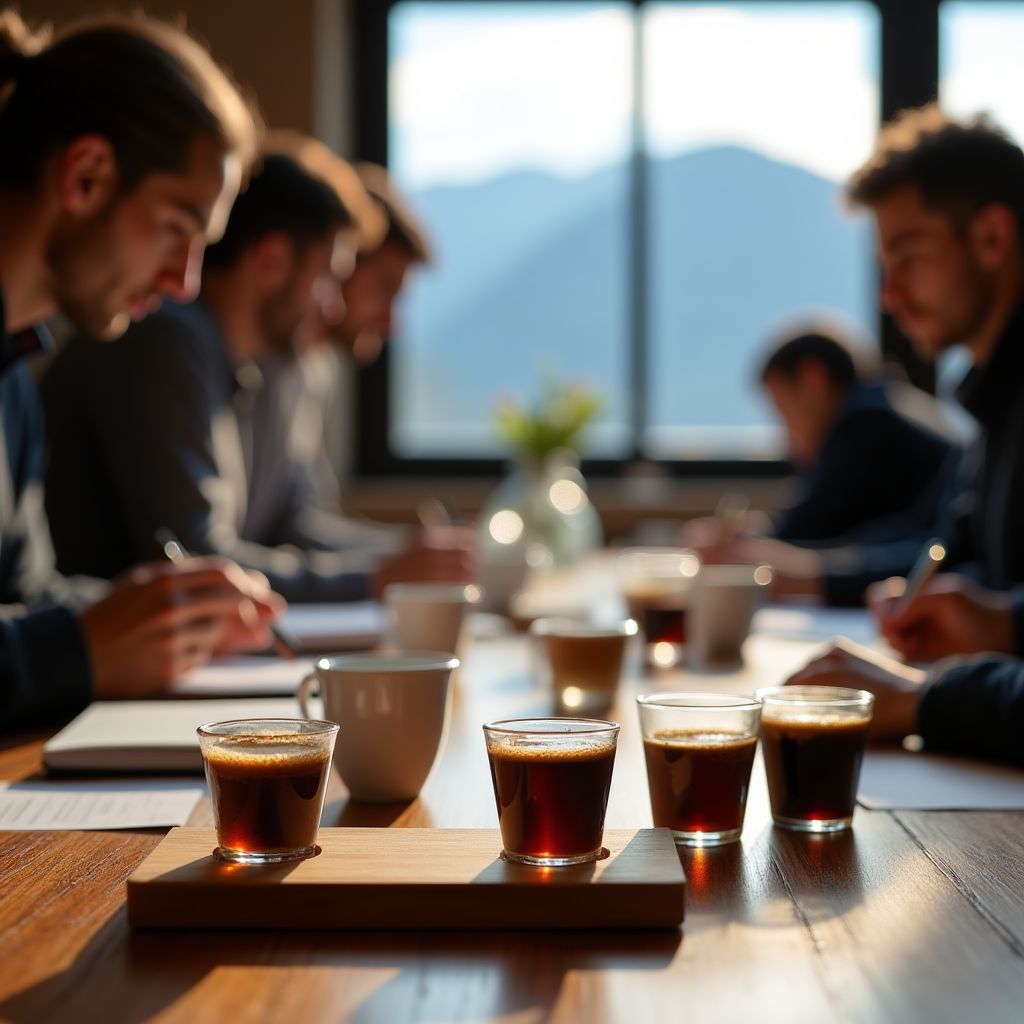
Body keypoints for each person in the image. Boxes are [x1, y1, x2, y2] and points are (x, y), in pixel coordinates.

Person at [0, 11, 280, 732]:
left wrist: (167, 611)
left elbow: (25, 598)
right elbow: (42, 636)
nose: (186, 283)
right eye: (175, 228)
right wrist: (75, 647)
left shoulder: (14, 376)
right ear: (86, 176)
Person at [42, 140, 473, 602]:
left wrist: (402, 561)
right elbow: (202, 560)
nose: (333, 304)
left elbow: (290, 522)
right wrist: (376, 578)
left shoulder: (246, 362)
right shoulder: (164, 339)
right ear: (271, 262)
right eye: (328, 278)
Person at [697, 105, 1024, 612]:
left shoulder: (875, 421)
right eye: (883, 269)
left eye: (909, 258)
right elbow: (944, 549)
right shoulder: (993, 404)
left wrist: (938, 689)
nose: (889, 297)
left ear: (991, 239)